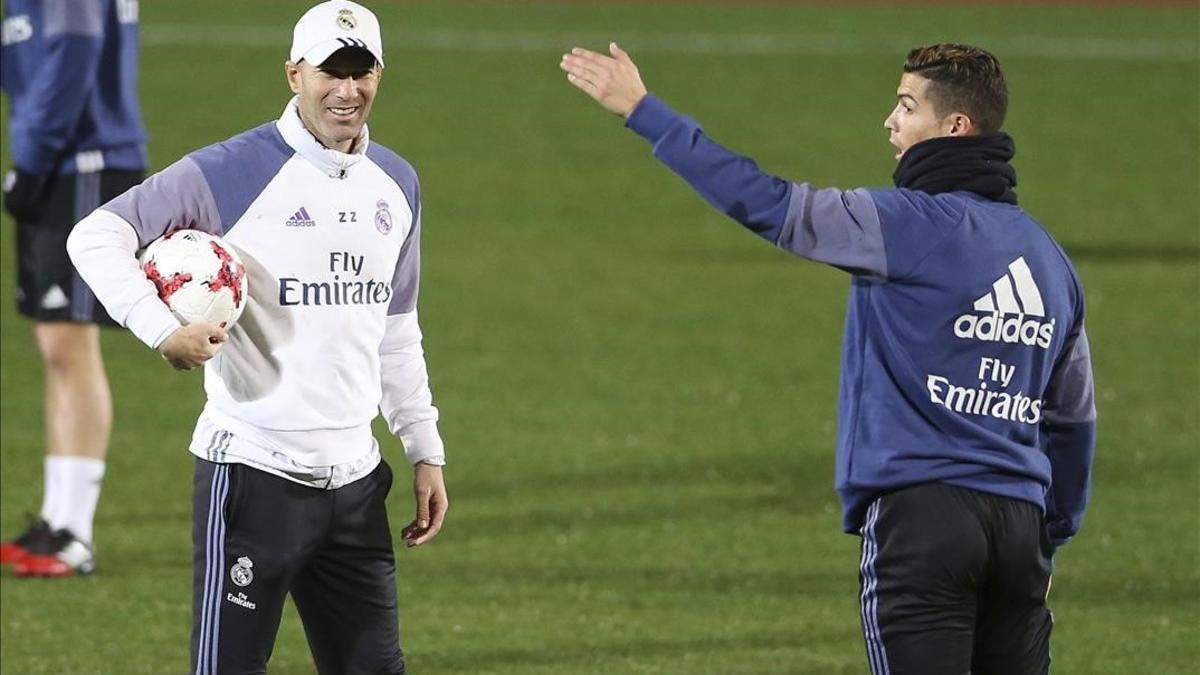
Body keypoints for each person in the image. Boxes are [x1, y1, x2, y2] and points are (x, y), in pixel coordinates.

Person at [561, 42, 1096, 674]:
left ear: (956, 127)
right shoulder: (1049, 259)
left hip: (923, 519)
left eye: (906, 106)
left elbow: (765, 203)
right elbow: (1073, 420)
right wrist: (1049, 529)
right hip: (1020, 529)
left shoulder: (903, 224)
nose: (890, 123)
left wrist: (645, 111)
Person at [67, 2, 447, 672]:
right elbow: (94, 235)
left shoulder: (398, 184)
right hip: (252, 477)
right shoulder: (227, 172)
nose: (347, 90)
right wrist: (162, 329)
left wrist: (423, 446)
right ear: (294, 72)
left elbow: (395, 328)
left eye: (362, 72)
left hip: (357, 487)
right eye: (332, 71)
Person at [0, 0, 148, 577]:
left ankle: (76, 532)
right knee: (54, 348)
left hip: (83, 159)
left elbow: (75, 49)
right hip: (61, 158)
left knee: (70, 344)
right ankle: (57, 521)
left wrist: (31, 160)